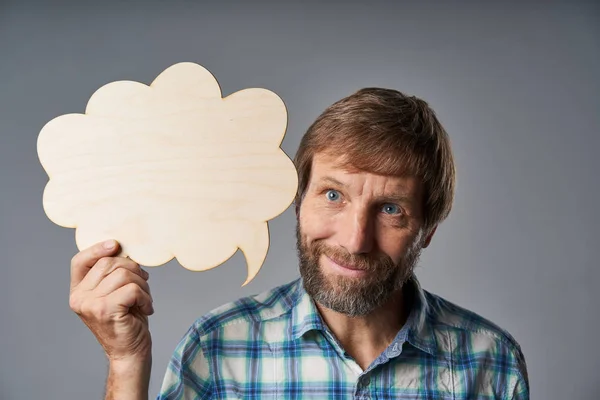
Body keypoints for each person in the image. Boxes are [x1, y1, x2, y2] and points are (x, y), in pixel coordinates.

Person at [69, 88, 529, 399]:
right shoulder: (217, 347)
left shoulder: (490, 361)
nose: (354, 240)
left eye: (390, 209)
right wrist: (126, 362)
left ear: (427, 228)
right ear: (296, 199)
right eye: (333, 195)